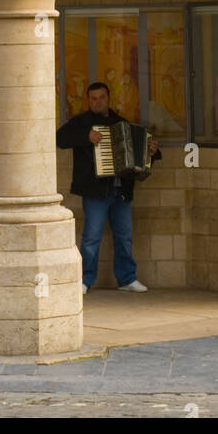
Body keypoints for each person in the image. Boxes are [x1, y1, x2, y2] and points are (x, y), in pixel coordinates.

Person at [56, 81, 161, 295]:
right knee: (91, 237)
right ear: (88, 100)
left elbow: (139, 156)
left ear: (108, 98)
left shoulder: (120, 122)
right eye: (93, 98)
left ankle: (127, 278)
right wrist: (86, 136)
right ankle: (84, 280)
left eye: (101, 97)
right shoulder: (81, 122)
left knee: (124, 236)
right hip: (95, 192)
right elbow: (60, 138)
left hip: (121, 190)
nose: (97, 102)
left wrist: (152, 151)